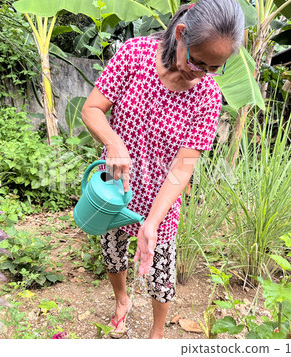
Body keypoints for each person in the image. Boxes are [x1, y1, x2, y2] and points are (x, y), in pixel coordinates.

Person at [81, 0, 244, 339]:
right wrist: (114, 143)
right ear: (181, 34)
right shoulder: (135, 55)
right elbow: (93, 109)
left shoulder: (207, 97)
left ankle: (157, 334)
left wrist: (152, 221)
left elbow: (183, 166)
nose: (200, 73)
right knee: (113, 256)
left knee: (159, 274)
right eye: (197, 61)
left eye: (213, 68)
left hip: (162, 199)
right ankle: (122, 300)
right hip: (116, 187)